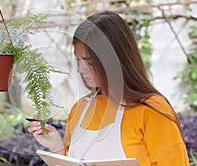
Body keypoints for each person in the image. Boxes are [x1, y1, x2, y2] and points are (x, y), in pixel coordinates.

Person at [28, 11, 189, 166]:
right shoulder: (80, 109)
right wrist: (58, 148)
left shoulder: (151, 110)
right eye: (79, 60)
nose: (80, 70)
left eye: (89, 61)